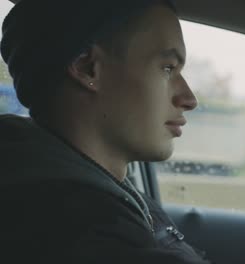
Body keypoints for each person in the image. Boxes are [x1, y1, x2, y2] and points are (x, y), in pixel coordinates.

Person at [0, 0, 211, 263]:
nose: (189, 99)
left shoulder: (97, 188)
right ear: (88, 68)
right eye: (167, 68)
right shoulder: (84, 231)